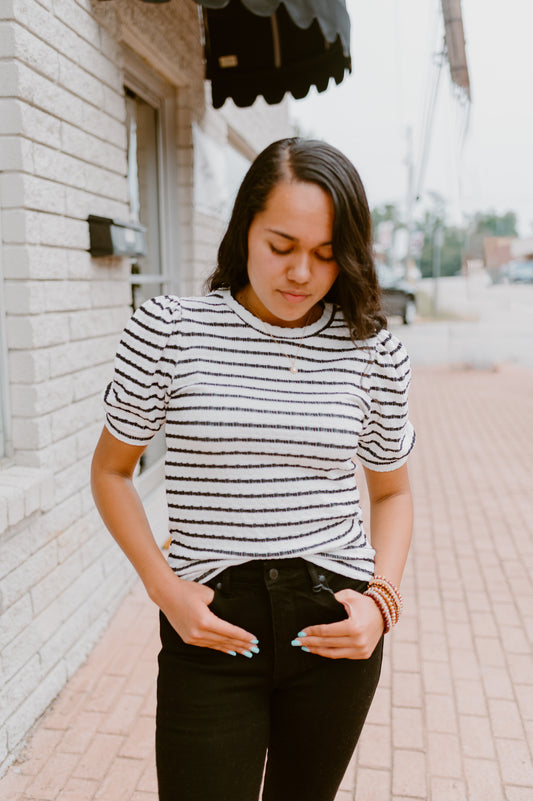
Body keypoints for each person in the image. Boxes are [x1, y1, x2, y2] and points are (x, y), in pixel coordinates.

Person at [91, 137, 415, 801]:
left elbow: (393, 490)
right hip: (211, 625)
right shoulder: (168, 330)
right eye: (280, 245)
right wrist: (164, 589)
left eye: (325, 254)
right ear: (244, 231)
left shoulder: (371, 350)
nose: (300, 272)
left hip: (333, 628)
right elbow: (111, 472)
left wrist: (380, 602)